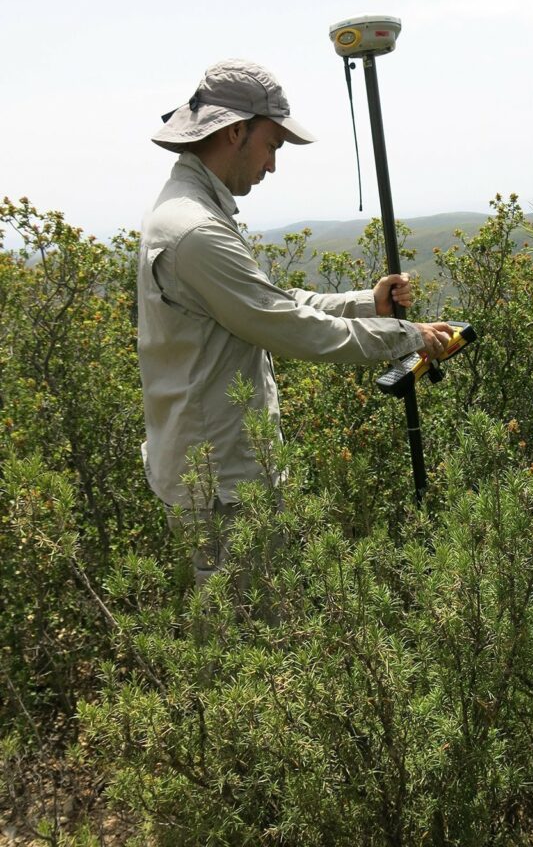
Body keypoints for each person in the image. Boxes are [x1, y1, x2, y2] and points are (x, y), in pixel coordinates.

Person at [138, 59, 453, 584]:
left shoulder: (188, 213)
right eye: (273, 145)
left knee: (236, 634)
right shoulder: (196, 231)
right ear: (236, 131)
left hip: (213, 471)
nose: (272, 165)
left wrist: (363, 305)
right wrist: (408, 335)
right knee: (245, 642)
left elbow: (266, 302)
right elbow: (289, 326)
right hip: (221, 485)